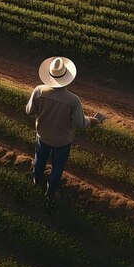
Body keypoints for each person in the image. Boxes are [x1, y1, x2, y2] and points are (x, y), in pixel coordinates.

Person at [26, 56, 101, 199]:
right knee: (57, 167)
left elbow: (29, 111)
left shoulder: (39, 91)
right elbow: (80, 123)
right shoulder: (73, 100)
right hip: (62, 141)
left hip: (43, 136)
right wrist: (92, 121)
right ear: (67, 77)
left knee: (40, 160)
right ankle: (51, 192)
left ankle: (36, 180)